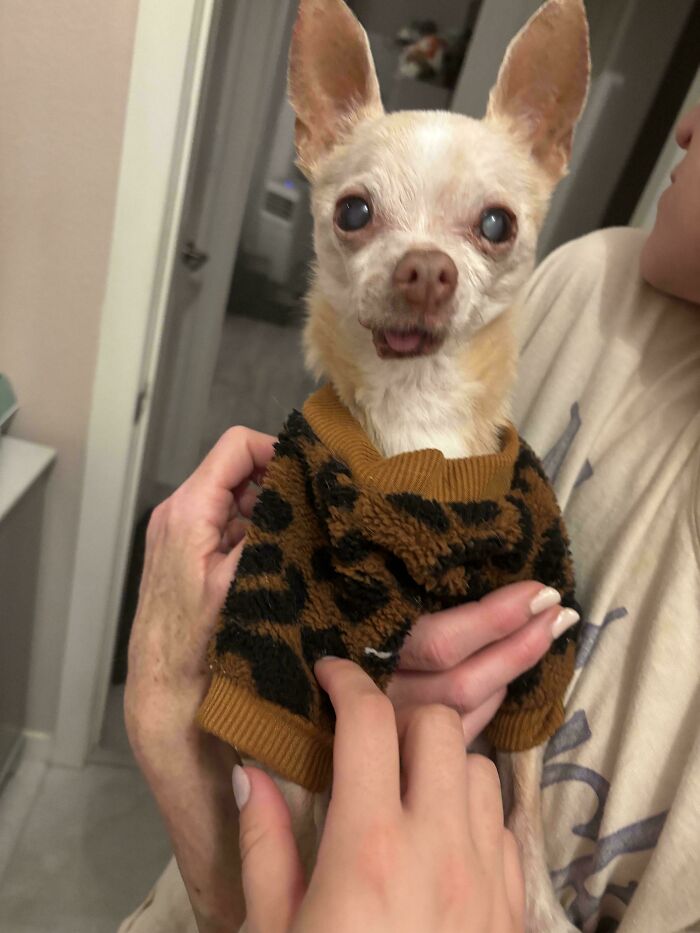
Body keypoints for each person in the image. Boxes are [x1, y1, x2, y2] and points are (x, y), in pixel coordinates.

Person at [120, 100, 700, 933]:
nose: (427, 269)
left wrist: (179, 748)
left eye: (490, 228)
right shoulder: (596, 285)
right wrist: (180, 730)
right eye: (360, 213)